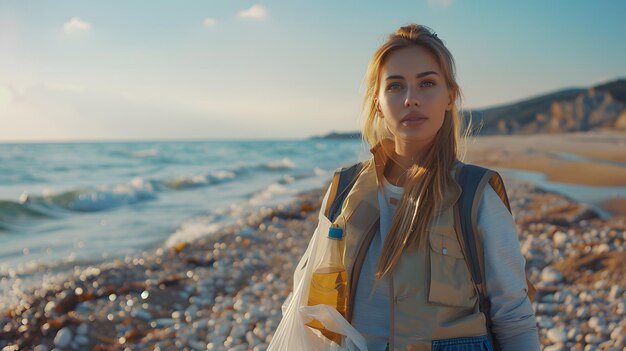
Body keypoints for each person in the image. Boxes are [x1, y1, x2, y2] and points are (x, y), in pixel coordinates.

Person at [314, 24, 540, 350]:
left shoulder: (476, 195)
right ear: (377, 101)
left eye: (427, 83)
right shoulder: (343, 191)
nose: (411, 99)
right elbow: (314, 305)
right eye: (395, 86)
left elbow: (514, 317)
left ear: (450, 96)